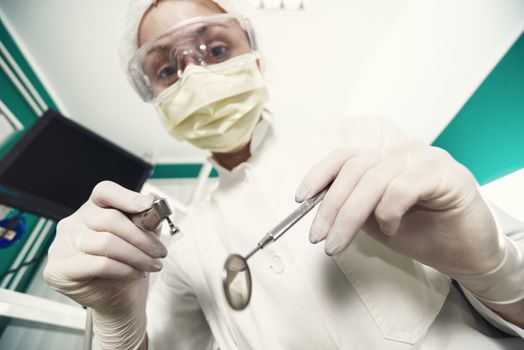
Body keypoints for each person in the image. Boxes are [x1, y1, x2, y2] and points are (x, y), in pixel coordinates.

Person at [43, 0, 524, 349]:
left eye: (214, 50)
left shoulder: (365, 136)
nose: (194, 75)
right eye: (166, 69)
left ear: (257, 59)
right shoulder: (179, 247)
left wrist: (495, 268)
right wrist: (115, 326)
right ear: (155, 99)